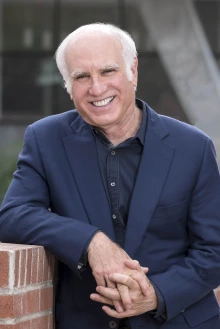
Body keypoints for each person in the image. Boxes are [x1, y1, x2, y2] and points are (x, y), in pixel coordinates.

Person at [0, 23, 220, 329]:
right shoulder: (45, 139)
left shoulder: (193, 147)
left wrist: (156, 295)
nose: (97, 88)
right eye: (81, 76)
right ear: (68, 85)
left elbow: (214, 251)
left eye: (107, 71)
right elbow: (11, 215)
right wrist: (90, 241)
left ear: (133, 71)